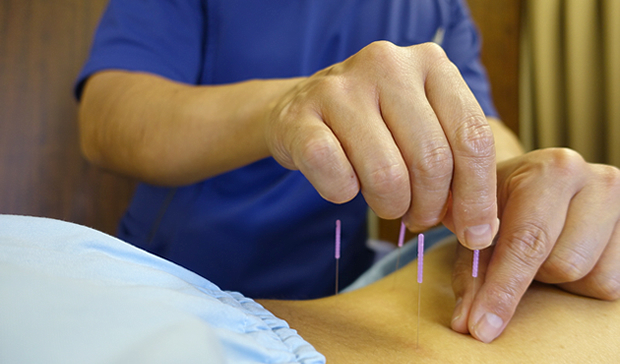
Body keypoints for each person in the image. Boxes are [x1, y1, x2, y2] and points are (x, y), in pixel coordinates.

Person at [75, 0, 620, 343]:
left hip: (345, 290)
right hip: (178, 279)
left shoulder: (439, 8)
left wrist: (520, 179)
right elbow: (106, 116)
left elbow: (482, 129)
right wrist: (288, 106)